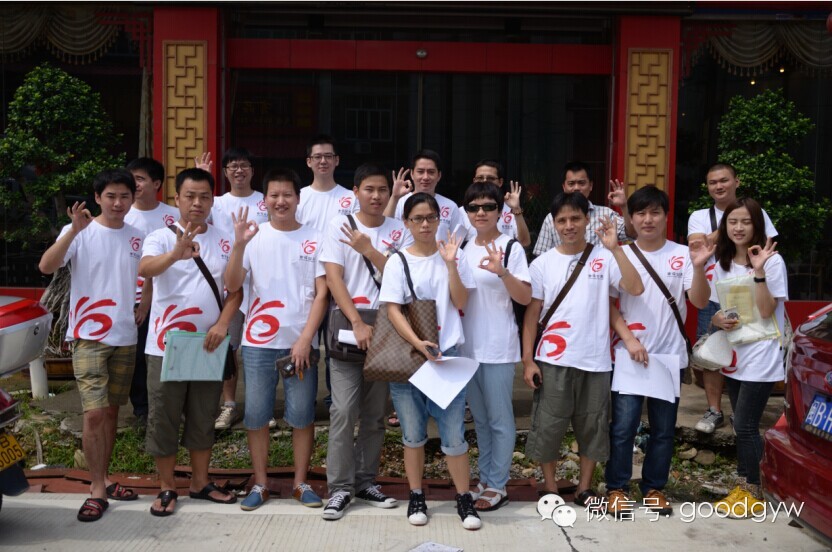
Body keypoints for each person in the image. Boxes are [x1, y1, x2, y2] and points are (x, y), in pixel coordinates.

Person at [522, 192, 644, 508]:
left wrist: (616, 249)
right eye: (562, 220)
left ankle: (584, 488)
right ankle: (550, 487)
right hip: (553, 359)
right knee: (549, 426)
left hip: (596, 360)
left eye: (575, 218)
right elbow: (532, 316)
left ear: (586, 220)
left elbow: (635, 288)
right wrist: (528, 360)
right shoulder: (542, 264)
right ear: (553, 223)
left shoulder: (605, 257)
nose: (569, 225)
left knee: (593, 427)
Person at [39, 168, 143, 521]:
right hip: (88, 335)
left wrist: (145, 302)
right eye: (110, 196)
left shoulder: (138, 236)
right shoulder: (79, 231)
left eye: (124, 196)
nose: (118, 203)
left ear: (133, 198)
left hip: (125, 336)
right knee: (94, 413)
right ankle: (97, 489)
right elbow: (46, 266)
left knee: (112, 412)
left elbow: (146, 276)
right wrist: (73, 232)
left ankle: (105, 478)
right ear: (97, 198)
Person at [139, 168, 242, 516]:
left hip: (207, 344)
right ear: (177, 198)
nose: (197, 203)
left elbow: (235, 291)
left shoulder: (225, 240)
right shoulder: (159, 237)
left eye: (204, 197)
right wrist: (176, 253)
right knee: (164, 417)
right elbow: (145, 269)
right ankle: (167, 487)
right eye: (190, 196)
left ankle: (200, 482)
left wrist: (224, 324)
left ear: (212, 201)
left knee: (203, 416)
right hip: (165, 345)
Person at [224, 168, 329, 511]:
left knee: (302, 415)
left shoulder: (316, 237)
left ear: (298, 199)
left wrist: (306, 339)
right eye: (274, 195)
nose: (280, 201)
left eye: (287, 195)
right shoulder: (253, 237)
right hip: (258, 343)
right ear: (265, 200)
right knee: (256, 415)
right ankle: (261, 484)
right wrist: (239, 245)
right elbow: (233, 284)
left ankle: (300, 483)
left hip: (301, 343)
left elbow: (322, 294)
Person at [378, 192, 481, 530]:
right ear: (406, 223)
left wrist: (450, 263)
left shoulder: (454, 254)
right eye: (418, 218)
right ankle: (416, 495)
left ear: (439, 219)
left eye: (431, 218)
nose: (425, 224)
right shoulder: (397, 261)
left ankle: (464, 498)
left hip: (447, 357)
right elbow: (392, 309)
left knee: (454, 434)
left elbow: (461, 301)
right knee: (412, 433)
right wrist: (418, 344)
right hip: (410, 359)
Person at [604, 186, 709, 517]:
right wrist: (629, 340)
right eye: (641, 213)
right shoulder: (619, 253)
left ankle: (653, 488)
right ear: (631, 218)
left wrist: (699, 267)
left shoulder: (683, 254)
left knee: (663, 430)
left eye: (655, 212)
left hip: (668, 356)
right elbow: (609, 306)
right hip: (629, 356)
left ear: (665, 216)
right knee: (623, 428)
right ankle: (617, 488)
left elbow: (699, 301)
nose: (647, 219)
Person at [689, 197, 788, 518]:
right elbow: (704, 302)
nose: (739, 227)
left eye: (746, 221)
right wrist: (717, 317)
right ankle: (744, 485)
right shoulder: (722, 262)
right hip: (735, 353)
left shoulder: (772, 262)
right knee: (739, 424)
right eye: (732, 222)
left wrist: (758, 272)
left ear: (757, 225)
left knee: (745, 424)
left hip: (762, 353)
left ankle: (754, 490)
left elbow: (766, 310)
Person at [319, 163, 407, 521]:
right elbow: (333, 278)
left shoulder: (400, 230)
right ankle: (340, 488)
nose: (376, 196)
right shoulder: (338, 226)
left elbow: (403, 276)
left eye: (382, 190)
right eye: (369, 189)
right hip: (348, 328)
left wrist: (369, 250)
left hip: (387, 331)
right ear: (355, 191)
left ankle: (365, 481)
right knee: (342, 411)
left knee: (374, 415)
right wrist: (356, 321)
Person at [687, 163, 778, 435]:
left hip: (748, 288)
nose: (719, 186)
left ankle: (743, 412)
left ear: (736, 182)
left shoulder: (756, 212)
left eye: (724, 180)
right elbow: (698, 245)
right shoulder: (699, 215)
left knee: (750, 345)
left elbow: (767, 245)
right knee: (713, 350)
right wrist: (731, 221)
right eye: (712, 182)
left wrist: (730, 222)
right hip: (714, 288)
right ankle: (714, 409)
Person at [459, 181, 532, 511]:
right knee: (481, 420)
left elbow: (525, 297)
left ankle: (498, 484)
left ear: (499, 212)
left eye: (488, 206)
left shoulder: (511, 247)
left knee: (500, 419)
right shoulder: (462, 247)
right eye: (474, 207)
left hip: (499, 346)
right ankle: (486, 478)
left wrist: (503, 273)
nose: (481, 212)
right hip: (468, 348)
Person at [197, 148, 268, 431]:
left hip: (263, 284)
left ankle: (260, 404)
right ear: (225, 172)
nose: (239, 170)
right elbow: (199, 227)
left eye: (244, 165)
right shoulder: (216, 203)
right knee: (229, 347)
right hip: (229, 285)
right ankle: (229, 405)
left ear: (252, 170)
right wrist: (203, 178)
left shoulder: (266, 201)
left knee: (262, 346)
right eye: (233, 166)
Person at [296, 135, 359, 408]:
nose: (323, 161)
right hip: (306, 284)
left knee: (337, 346)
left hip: (341, 283)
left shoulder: (350, 198)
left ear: (337, 161)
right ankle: (304, 402)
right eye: (317, 157)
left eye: (328, 156)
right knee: (305, 342)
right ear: (309, 162)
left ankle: (338, 401)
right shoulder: (298, 197)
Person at [123, 158, 179, 430]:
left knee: (166, 353)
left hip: (166, 297)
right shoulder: (122, 214)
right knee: (137, 359)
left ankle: (172, 408)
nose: (134, 184)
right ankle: (142, 409)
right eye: (131, 178)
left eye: (140, 178)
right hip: (129, 298)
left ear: (156, 183)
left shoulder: (173, 215)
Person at [532, 161, 634, 257]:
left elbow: (632, 233)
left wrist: (624, 206)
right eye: (571, 183)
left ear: (590, 185)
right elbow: (541, 256)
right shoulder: (551, 218)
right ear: (564, 187)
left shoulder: (606, 214)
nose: (576, 188)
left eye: (581, 183)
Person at [384, 149, 467, 243]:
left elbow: (458, 241)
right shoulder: (399, 202)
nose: (425, 177)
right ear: (412, 174)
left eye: (431, 172)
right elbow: (384, 229)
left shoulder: (450, 206)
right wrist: (394, 197)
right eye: (420, 171)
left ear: (439, 175)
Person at [459, 160, 531, 247]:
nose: (485, 181)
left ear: (500, 182)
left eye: (490, 178)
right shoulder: (462, 211)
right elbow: (455, 244)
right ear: (474, 181)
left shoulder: (510, 209)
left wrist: (516, 209)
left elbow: (525, 242)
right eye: (480, 178)